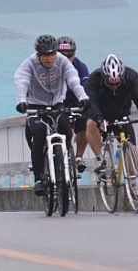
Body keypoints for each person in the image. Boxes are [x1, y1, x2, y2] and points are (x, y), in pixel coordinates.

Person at [14, 35, 89, 196]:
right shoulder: (29, 63)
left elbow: (73, 80)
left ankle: (65, 160)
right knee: (39, 135)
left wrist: (83, 97)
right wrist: (21, 100)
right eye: (45, 55)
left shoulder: (62, 61)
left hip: (57, 103)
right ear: (38, 55)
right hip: (36, 105)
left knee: (67, 131)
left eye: (52, 54)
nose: (49, 59)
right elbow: (22, 81)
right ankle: (39, 178)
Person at [85, 54, 138, 173]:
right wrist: (99, 118)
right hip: (101, 116)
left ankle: (132, 183)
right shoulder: (94, 78)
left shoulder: (131, 76)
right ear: (104, 78)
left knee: (132, 152)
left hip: (122, 115)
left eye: (117, 84)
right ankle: (99, 158)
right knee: (90, 123)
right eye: (110, 84)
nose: (114, 86)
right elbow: (90, 102)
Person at [56, 36, 91, 173]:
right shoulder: (50, 68)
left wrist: (86, 100)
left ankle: (78, 157)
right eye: (61, 55)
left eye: (69, 55)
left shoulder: (80, 66)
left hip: (75, 102)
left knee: (84, 123)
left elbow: (86, 84)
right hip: (57, 103)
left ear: (74, 54)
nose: (66, 59)